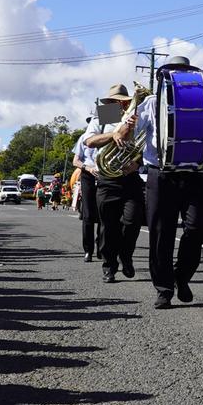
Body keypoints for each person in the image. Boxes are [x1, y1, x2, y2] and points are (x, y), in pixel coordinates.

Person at [113, 56, 203, 307]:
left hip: (194, 174)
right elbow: (124, 134)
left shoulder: (201, 101)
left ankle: (182, 275)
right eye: (176, 71)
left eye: (184, 72)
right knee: (160, 233)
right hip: (161, 173)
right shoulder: (151, 102)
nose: (180, 76)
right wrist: (127, 126)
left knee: (197, 228)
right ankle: (164, 288)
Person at [84, 85, 145, 283]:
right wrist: (114, 134)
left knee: (132, 221)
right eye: (113, 101)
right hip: (107, 179)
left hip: (130, 179)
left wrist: (137, 163)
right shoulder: (105, 115)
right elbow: (89, 142)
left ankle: (126, 256)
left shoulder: (138, 114)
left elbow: (148, 144)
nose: (118, 104)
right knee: (108, 227)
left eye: (121, 100)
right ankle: (109, 266)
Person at [74, 113, 105, 262]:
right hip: (88, 174)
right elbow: (76, 161)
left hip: (104, 173)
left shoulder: (107, 134)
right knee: (88, 214)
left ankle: (101, 247)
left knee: (103, 213)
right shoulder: (83, 138)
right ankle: (88, 250)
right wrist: (87, 167)